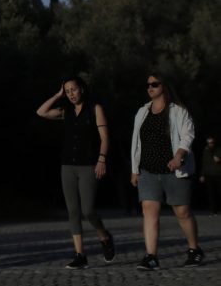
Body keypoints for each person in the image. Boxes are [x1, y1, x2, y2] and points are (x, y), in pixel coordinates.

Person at [36, 76, 116, 269]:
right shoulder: (66, 112)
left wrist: (101, 159)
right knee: (73, 211)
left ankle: (104, 237)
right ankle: (80, 255)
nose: (71, 94)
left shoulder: (95, 109)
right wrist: (57, 95)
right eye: (67, 91)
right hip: (67, 166)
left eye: (73, 89)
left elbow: (105, 138)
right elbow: (41, 112)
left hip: (88, 165)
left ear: (82, 89)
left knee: (88, 211)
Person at [130, 73, 204, 270]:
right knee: (149, 211)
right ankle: (151, 256)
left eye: (154, 84)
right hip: (148, 171)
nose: (150, 87)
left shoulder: (179, 111)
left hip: (175, 170)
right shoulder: (142, 111)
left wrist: (179, 156)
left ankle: (194, 249)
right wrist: (134, 169)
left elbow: (188, 136)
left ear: (164, 85)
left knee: (182, 211)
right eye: (148, 85)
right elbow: (136, 143)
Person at [199, 135, 221, 215]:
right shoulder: (205, 151)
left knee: (219, 192)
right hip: (208, 174)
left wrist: (218, 159)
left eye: (211, 142)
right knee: (210, 193)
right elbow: (204, 163)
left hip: (218, 174)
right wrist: (202, 175)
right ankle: (213, 210)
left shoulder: (218, 150)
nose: (210, 144)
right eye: (208, 143)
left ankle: (218, 208)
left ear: (214, 142)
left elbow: (218, 160)